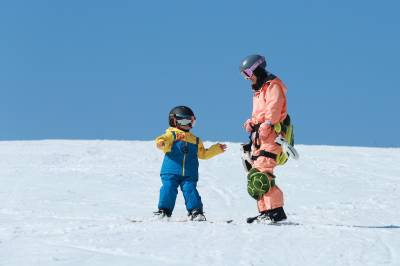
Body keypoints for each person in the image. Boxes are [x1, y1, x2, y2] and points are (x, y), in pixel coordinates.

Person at [239, 54, 289, 223]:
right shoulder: (259, 90)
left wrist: (268, 123)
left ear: (257, 68)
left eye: (247, 73)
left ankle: (276, 212)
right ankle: (265, 211)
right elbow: (258, 113)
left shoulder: (273, 85)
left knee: (262, 175)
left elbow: (273, 108)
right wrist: (251, 122)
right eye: (243, 75)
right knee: (254, 175)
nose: (246, 78)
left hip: (271, 137)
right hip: (259, 138)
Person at [154, 106, 227, 221]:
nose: (188, 124)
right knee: (168, 188)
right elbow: (162, 138)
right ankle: (164, 211)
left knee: (190, 190)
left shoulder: (196, 140)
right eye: (184, 120)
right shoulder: (172, 135)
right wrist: (161, 143)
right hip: (171, 170)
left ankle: (196, 212)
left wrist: (216, 149)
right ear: (174, 121)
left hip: (189, 173)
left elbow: (203, 154)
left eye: (191, 121)